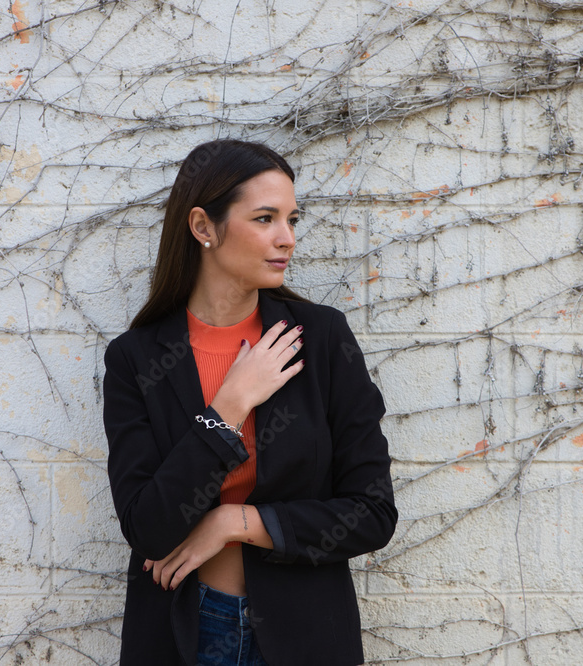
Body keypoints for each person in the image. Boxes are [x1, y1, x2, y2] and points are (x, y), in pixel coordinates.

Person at [102, 138, 398, 666]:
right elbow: (148, 528)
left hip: (304, 635)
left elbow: (372, 513)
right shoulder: (137, 359)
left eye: (292, 219)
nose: (287, 238)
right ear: (203, 227)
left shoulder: (321, 340)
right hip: (182, 633)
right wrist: (228, 408)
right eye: (265, 218)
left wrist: (232, 523)